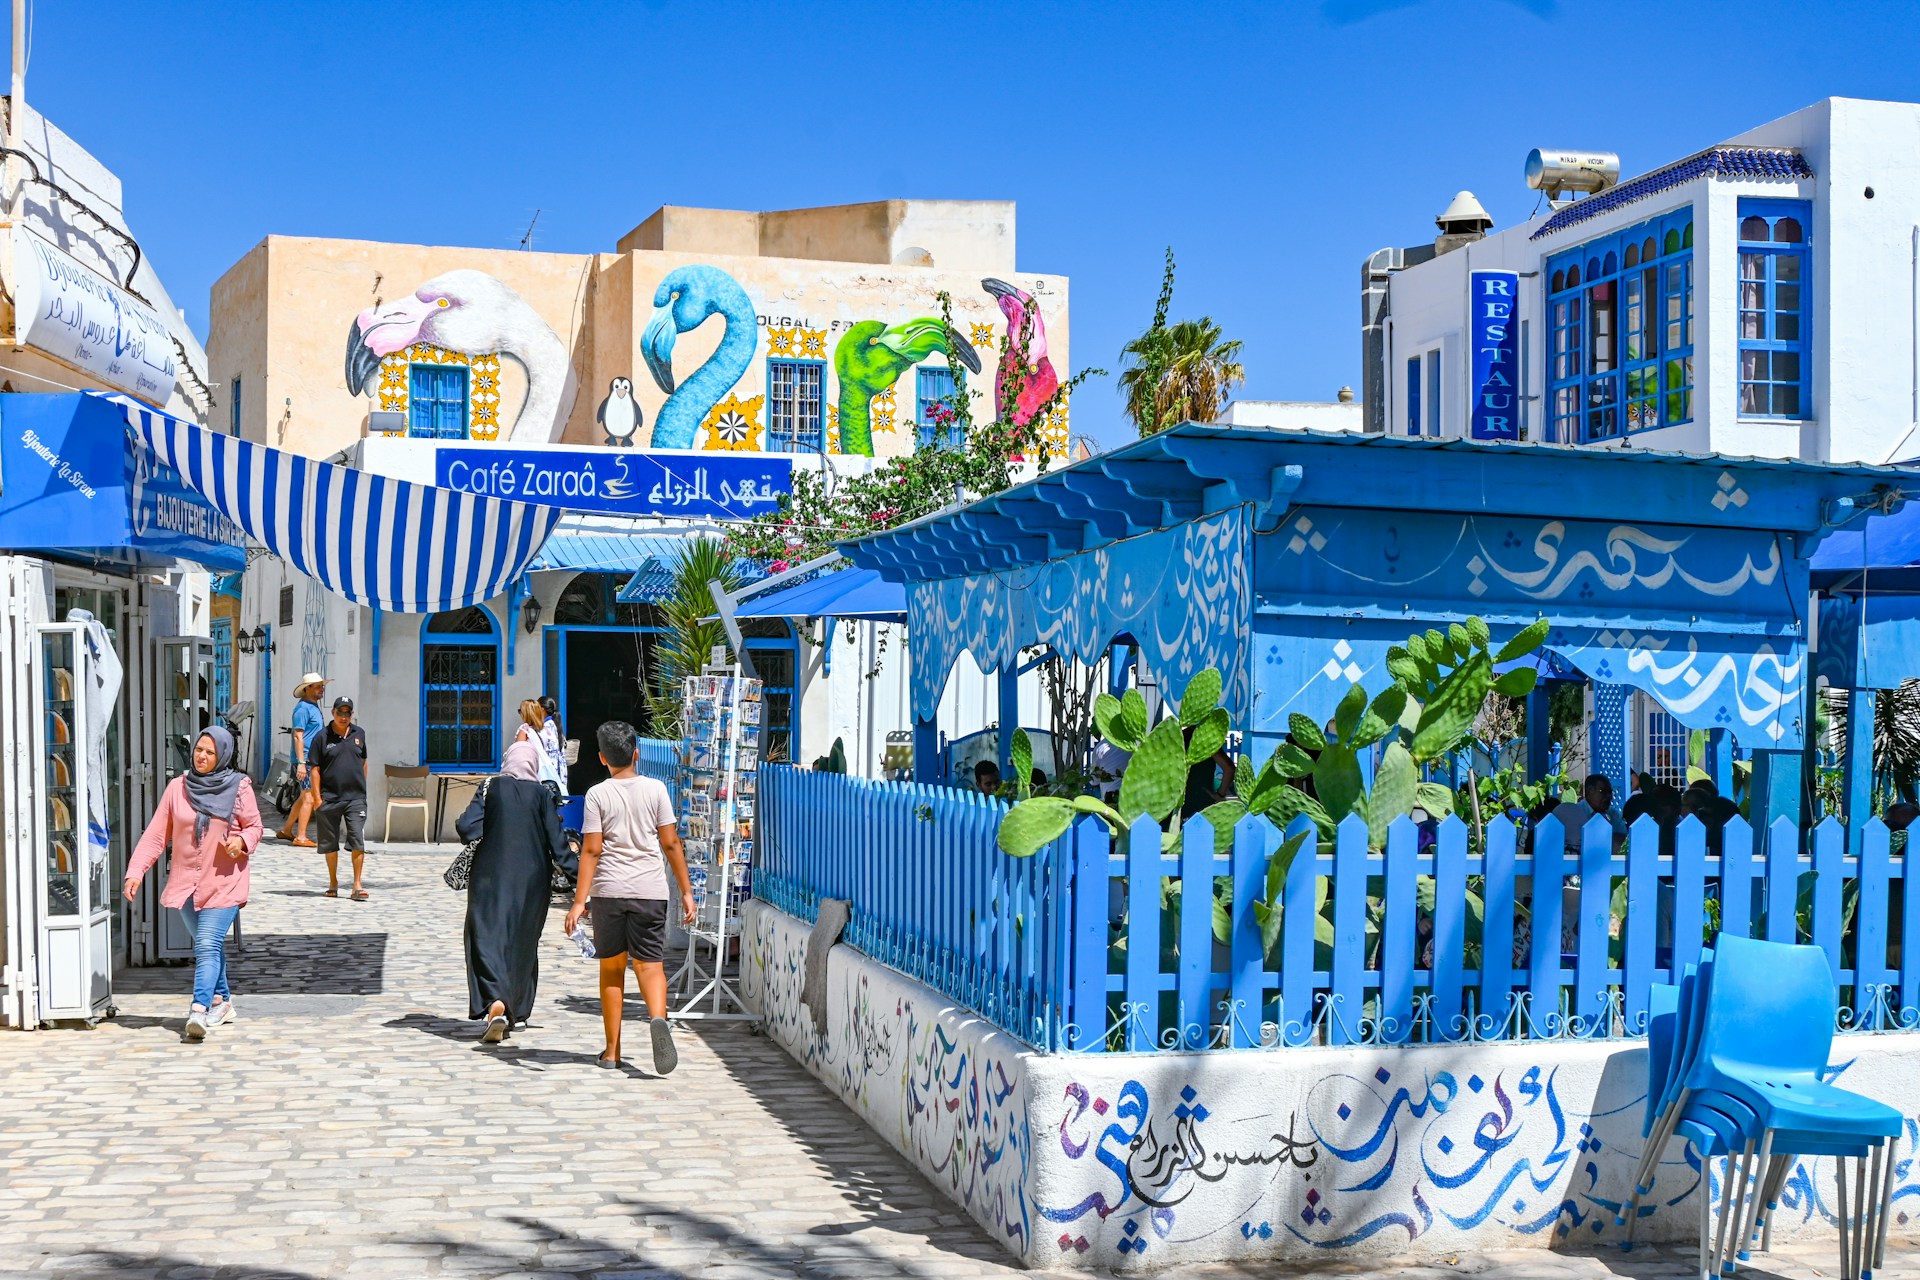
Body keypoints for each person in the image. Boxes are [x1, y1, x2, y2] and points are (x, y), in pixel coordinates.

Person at [564, 720, 697, 1073]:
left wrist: (579, 901)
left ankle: (611, 1052)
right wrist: (686, 890)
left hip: (609, 892)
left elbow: (591, 850)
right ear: (636, 753)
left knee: (612, 969)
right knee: (650, 965)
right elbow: (670, 842)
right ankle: (658, 1019)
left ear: (602, 759)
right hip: (649, 891)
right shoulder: (656, 790)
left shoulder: (597, 794)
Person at [123, 726, 263, 1041]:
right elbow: (156, 834)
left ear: (223, 755)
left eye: (210, 752)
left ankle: (198, 1011)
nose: (202, 756)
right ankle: (220, 1001)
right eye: (199, 749)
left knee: (206, 945)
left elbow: (255, 826)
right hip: (186, 883)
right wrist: (136, 871)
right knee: (208, 944)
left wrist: (240, 841)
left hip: (224, 881)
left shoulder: (239, 787)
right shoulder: (177, 788)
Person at [455, 738, 570, 1044]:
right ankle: (514, 1009)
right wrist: (582, 880)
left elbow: (468, 827)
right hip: (532, 880)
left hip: (490, 877)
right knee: (522, 942)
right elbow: (558, 844)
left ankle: (495, 1005)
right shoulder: (542, 795)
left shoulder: (491, 787)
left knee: (485, 938)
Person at [313, 696, 370, 900]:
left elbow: (363, 761)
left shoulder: (359, 734)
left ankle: (357, 885)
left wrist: (362, 789)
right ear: (333, 713)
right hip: (329, 798)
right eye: (340, 712)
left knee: (357, 840)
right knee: (330, 843)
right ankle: (333, 882)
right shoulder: (322, 737)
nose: (344, 717)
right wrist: (317, 799)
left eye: (348, 713)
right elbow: (315, 770)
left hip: (355, 799)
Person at [276, 673, 326, 847]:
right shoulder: (303, 708)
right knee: (309, 796)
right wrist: (302, 763)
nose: (322, 689)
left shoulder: (313, 707)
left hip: (312, 758)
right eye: (318, 686)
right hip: (306, 759)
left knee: (304, 796)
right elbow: (298, 736)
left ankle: (287, 830)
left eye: (322, 686)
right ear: (307, 689)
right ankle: (301, 836)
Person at [1559, 774, 1626, 856]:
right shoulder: (1576, 813)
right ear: (1590, 792)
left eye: (1610, 792)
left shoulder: (1613, 815)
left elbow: (1623, 839)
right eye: (1602, 791)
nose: (1609, 797)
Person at [513, 699, 565, 791]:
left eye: (520, 711)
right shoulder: (544, 730)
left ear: (526, 713)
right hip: (543, 768)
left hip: (528, 769)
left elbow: (518, 753)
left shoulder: (524, 729)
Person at [539, 695, 568, 793]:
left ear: (542, 709)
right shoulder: (554, 726)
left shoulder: (545, 729)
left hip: (549, 779)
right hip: (558, 778)